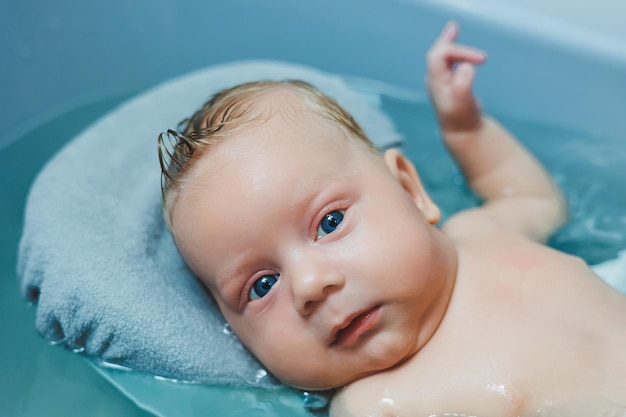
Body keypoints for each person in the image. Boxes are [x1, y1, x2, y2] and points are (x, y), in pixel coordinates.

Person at [158, 22, 626, 416]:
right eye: (262, 285)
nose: (309, 285)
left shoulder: (482, 233)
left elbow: (534, 198)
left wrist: (467, 130)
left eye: (329, 223)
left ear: (410, 190)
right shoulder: (376, 405)